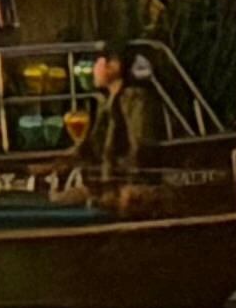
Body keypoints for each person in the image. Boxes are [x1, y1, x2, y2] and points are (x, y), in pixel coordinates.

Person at [70, 48, 167, 200]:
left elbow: (140, 147)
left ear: (113, 66)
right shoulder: (107, 101)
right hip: (104, 183)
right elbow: (91, 146)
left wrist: (119, 187)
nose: (93, 69)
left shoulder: (135, 100)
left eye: (97, 62)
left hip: (122, 189)